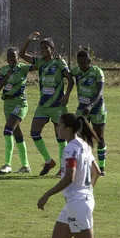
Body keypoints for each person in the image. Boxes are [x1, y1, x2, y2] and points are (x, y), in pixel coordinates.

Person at [37, 113, 104, 238]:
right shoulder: (83, 144)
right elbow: (96, 172)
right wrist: (87, 191)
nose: (56, 128)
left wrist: (47, 194)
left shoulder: (71, 148)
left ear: (67, 129)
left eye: (59, 126)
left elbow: (69, 177)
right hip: (77, 203)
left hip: (78, 204)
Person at [20, 32, 74, 176]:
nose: (43, 50)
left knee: (60, 137)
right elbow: (22, 55)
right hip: (43, 106)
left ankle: (63, 168)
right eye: (42, 47)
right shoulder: (40, 62)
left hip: (58, 106)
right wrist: (28, 40)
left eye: (46, 47)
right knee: (34, 133)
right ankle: (49, 161)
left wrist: (67, 95)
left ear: (52, 49)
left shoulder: (59, 62)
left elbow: (70, 80)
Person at [0, 47, 33, 174]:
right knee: (17, 134)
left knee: (7, 130)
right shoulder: (4, 70)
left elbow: (38, 66)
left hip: (20, 103)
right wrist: (6, 77)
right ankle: (26, 165)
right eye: (9, 57)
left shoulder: (22, 68)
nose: (11, 59)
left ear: (18, 57)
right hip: (7, 104)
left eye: (14, 56)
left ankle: (7, 164)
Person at [71, 49, 108, 176]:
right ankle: (83, 166)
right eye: (79, 63)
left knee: (99, 138)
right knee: (79, 137)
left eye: (84, 63)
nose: (82, 66)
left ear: (89, 61)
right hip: (82, 109)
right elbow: (65, 73)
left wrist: (91, 105)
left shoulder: (97, 72)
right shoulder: (76, 71)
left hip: (97, 108)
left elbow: (100, 92)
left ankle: (101, 168)